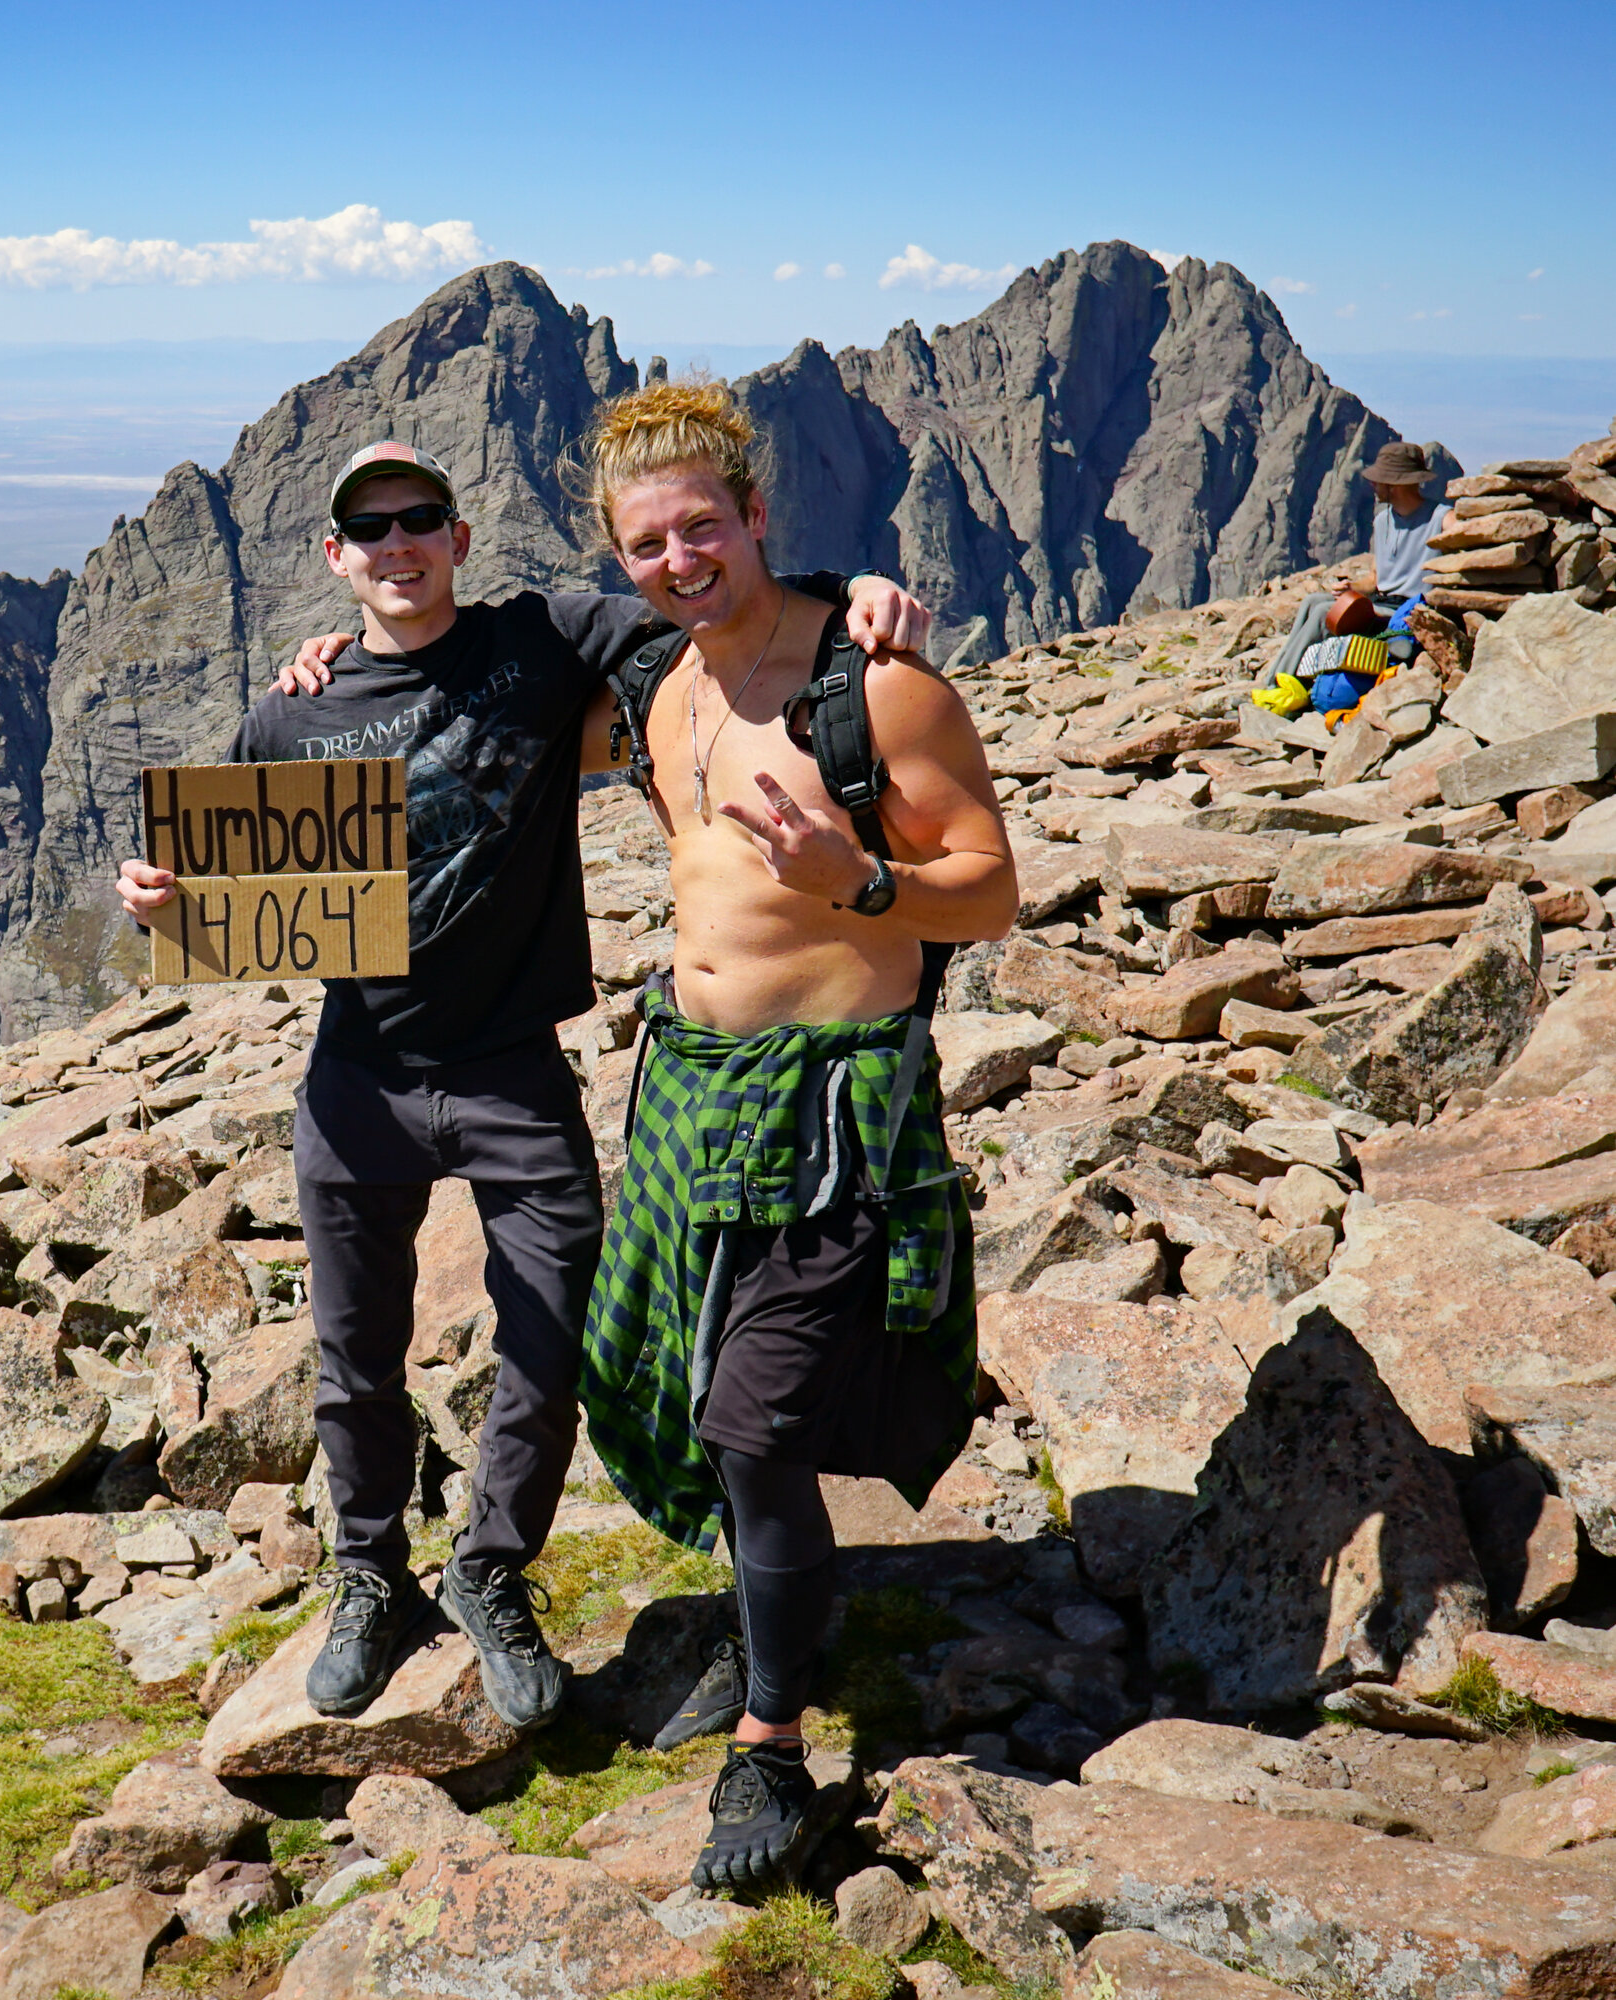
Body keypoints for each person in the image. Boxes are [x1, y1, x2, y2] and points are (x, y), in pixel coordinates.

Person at [114, 439, 927, 1732]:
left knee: (549, 1341)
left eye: (419, 519)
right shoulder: (289, 713)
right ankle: (372, 1580)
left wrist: (855, 595)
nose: (397, 544)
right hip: (358, 1075)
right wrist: (159, 893)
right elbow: (211, 877)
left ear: (458, 538)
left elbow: (708, 606)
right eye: (369, 529)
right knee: (352, 1358)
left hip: (510, 1068)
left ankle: (492, 1573)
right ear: (335, 558)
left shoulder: (540, 640)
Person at [559, 381, 1016, 1895]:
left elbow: (991, 890)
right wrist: (318, 671)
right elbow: (462, 719)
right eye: (648, 542)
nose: (681, 558)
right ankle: (775, 1605)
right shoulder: (648, 685)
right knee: (681, 1392)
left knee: (753, 1428)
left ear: (759, 514)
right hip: (691, 1097)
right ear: (619, 559)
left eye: (706, 525)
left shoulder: (874, 683)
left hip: (833, 1113)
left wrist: (858, 879)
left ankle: (771, 1740)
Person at [1262, 439, 1455, 688]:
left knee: (1324, 614)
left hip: (1406, 612)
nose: (1373, 484)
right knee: (1313, 602)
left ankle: (1280, 687)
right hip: (1380, 602)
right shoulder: (1383, 521)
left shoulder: (1440, 517)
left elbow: (1467, 534)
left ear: (1395, 484)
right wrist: (1351, 588)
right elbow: (1376, 579)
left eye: (1378, 479)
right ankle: (1275, 680)